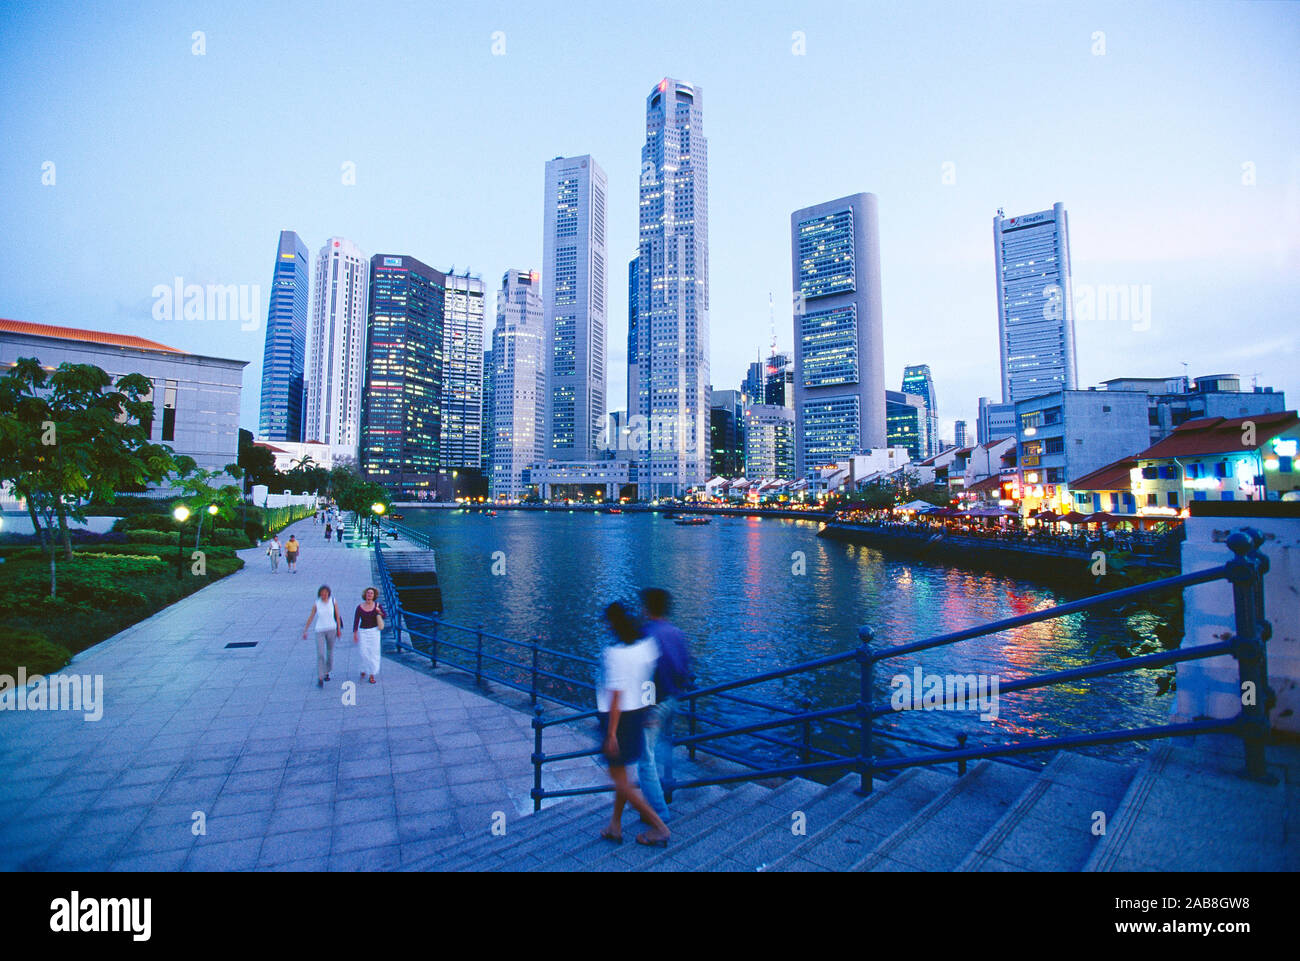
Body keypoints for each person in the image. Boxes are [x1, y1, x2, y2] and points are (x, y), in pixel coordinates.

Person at [595, 602, 670, 847]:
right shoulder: (647, 646)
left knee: (621, 781)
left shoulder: (614, 653)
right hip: (639, 714)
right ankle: (615, 826)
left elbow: (616, 695)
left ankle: (660, 827)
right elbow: (653, 678)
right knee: (623, 776)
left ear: (612, 624)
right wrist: (650, 709)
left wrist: (611, 734)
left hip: (619, 719)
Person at [636, 587, 691, 823]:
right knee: (666, 748)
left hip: (654, 705)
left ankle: (659, 814)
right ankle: (666, 792)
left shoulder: (645, 633)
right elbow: (686, 670)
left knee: (645, 760)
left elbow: (642, 673)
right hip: (673, 699)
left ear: (647, 609)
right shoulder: (677, 633)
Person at [303, 585, 343, 688]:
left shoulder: (333, 601)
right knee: (320, 653)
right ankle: (320, 677)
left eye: (326, 593)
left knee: (329, 652)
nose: (324, 595)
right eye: (322, 593)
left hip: (332, 629)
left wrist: (339, 629)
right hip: (320, 630)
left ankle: (327, 671)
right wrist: (305, 630)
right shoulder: (317, 603)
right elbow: (311, 616)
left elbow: (337, 616)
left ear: (328, 594)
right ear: (319, 594)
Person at [353, 587, 386, 684]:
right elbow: (356, 621)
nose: (369, 595)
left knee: (374, 653)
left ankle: (372, 674)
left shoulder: (377, 605)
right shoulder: (359, 607)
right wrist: (355, 633)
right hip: (363, 631)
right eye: (368, 593)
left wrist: (378, 611)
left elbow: (384, 615)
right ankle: (363, 668)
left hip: (374, 631)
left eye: (371, 593)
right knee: (363, 652)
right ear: (365, 595)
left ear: (374, 595)